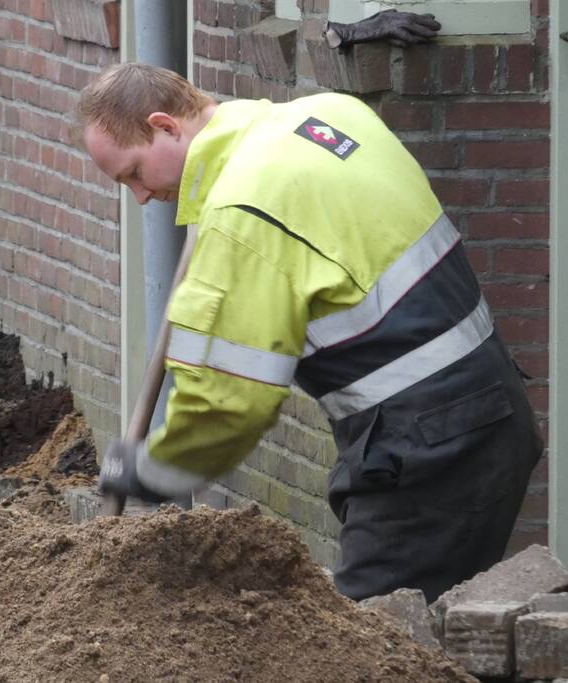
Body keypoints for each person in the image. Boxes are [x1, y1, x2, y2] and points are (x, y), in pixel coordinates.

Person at [81, 62, 542, 603]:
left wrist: (156, 468)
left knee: (372, 636)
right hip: (489, 407)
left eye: (134, 174)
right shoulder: (328, 116)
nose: (140, 196)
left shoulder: (244, 208)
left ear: (165, 126)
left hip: (432, 450)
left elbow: (229, 397)